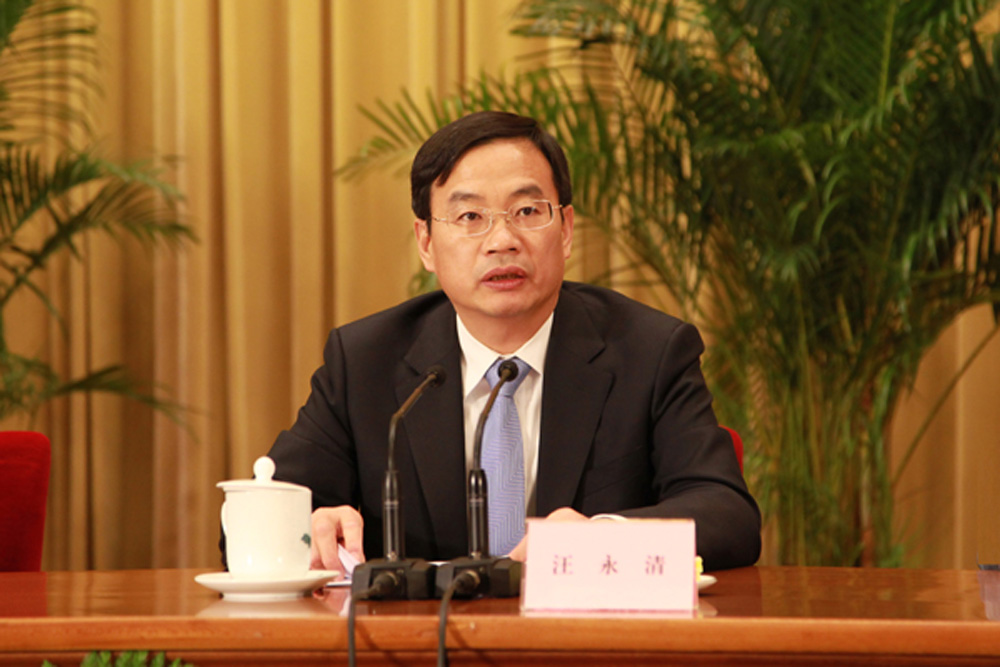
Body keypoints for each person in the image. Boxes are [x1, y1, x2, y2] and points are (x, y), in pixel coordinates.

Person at [266, 111, 761, 574]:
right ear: (426, 243)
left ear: (565, 230)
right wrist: (307, 528)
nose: (502, 240)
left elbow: (727, 514)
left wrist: (599, 537)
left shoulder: (650, 351)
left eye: (526, 211)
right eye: (469, 217)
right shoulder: (365, 362)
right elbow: (261, 515)